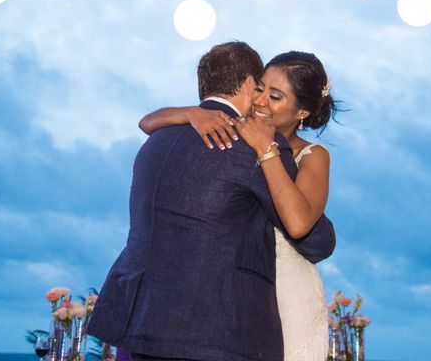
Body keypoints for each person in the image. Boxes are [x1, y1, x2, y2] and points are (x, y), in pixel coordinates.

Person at [87, 42, 336, 361]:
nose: (260, 101)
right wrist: (192, 113)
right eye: (260, 88)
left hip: (265, 295)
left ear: (302, 111)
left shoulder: (305, 155)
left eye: (274, 96)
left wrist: (265, 148)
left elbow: (307, 232)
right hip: (223, 315)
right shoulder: (231, 137)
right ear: (249, 84)